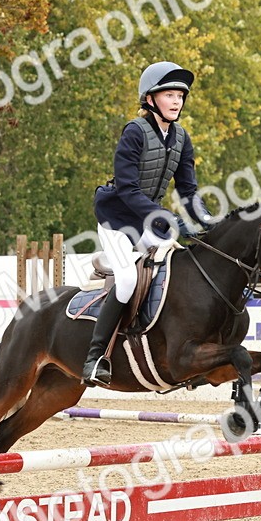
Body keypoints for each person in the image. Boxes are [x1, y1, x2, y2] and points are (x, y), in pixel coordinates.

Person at [82, 61, 214, 387]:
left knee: (178, 269)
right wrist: (166, 218)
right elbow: (127, 189)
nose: (176, 101)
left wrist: (209, 221)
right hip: (117, 220)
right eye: (169, 94)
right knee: (127, 279)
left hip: (149, 220)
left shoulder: (181, 138)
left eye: (180, 96)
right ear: (151, 99)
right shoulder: (134, 132)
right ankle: (96, 357)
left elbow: (189, 191)